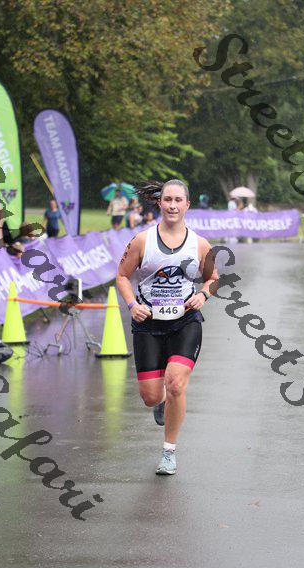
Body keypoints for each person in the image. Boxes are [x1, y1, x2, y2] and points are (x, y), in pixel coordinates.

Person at [116, 179, 218, 476]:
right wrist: (132, 305)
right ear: (159, 203)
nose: (173, 205)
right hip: (148, 323)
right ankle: (160, 401)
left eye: (178, 200)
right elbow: (122, 276)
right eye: (168, 200)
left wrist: (203, 295)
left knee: (175, 383)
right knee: (151, 396)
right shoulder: (142, 241)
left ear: (187, 205)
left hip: (185, 322)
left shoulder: (199, 244)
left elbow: (214, 278)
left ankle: (169, 452)